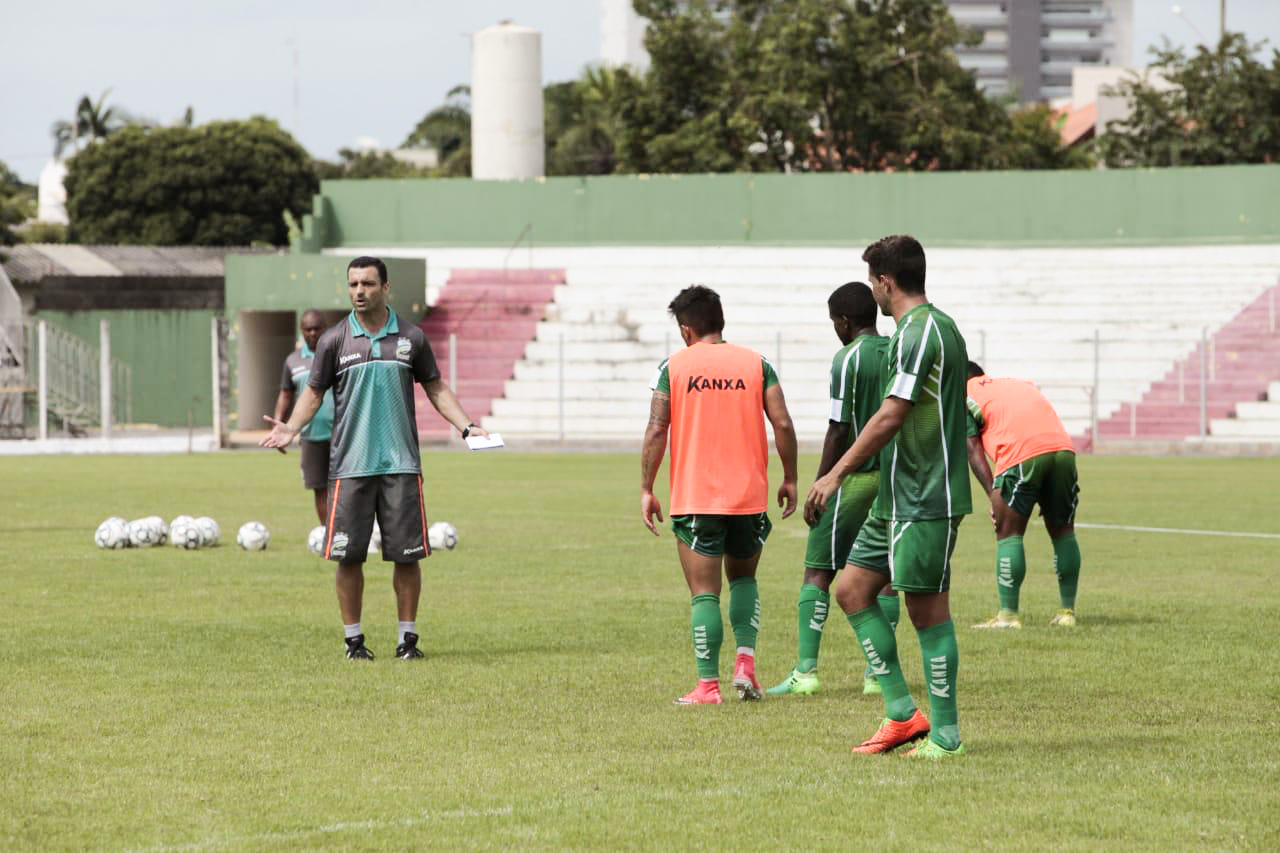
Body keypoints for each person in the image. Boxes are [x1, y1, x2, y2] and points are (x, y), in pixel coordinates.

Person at [261, 256, 487, 661]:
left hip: (401, 465)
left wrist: (467, 427)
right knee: (348, 558)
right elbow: (313, 393)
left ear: (386, 288)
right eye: (352, 285)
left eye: (367, 284)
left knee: (407, 557)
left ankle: (408, 640)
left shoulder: (412, 338)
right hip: (350, 467)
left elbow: (435, 388)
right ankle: (354, 642)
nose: (359, 292)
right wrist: (290, 428)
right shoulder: (334, 340)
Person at [805, 235, 971, 759]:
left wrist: (834, 474)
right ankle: (902, 714)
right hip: (895, 499)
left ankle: (946, 737)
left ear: (885, 282)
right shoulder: (912, 332)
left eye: (873, 281)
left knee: (927, 615)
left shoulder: (924, 330)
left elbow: (892, 414)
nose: (872, 291)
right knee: (852, 590)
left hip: (926, 498)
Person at [641, 285, 798, 705]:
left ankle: (707, 685)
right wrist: (791, 478)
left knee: (704, 593)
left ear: (686, 328)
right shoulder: (757, 364)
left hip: (697, 497)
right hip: (748, 495)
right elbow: (782, 423)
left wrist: (646, 487)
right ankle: (746, 665)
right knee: (744, 579)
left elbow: (658, 428)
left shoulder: (673, 367)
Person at [768, 282, 900, 698]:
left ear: (843, 322)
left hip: (855, 479)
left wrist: (822, 481)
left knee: (818, 570)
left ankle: (806, 672)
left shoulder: (848, 358)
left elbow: (839, 426)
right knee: (884, 578)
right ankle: (876, 675)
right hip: (896, 481)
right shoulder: (898, 348)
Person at [965, 362, 1082, 629]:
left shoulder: (965, 393)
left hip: (1022, 455)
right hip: (1064, 450)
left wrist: (992, 495)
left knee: (1009, 533)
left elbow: (972, 450)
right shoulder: (1016, 384)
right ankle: (1067, 613)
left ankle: (1008, 616)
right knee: (1063, 531)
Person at [275, 310, 336, 524]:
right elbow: (285, 394)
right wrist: (279, 425)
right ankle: (328, 533)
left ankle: (352, 534)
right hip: (311, 436)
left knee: (347, 488)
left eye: (317, 328)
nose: (312, 333)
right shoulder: (292, 361)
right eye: (308, 329)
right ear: (302, 331)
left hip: (341, 433)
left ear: (324, 329)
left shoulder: (336, 354)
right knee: (319, 489)